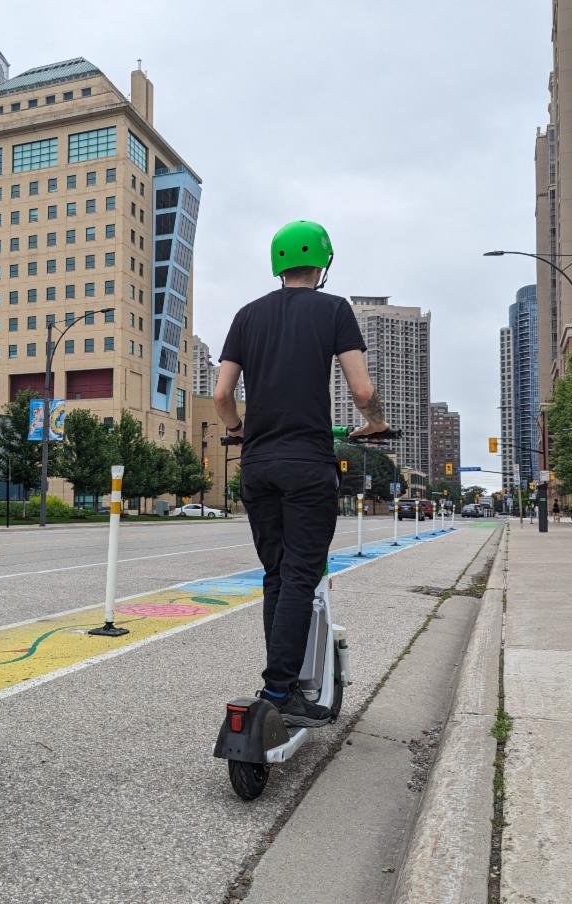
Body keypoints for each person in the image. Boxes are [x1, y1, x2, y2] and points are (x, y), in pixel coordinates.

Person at [214, 220, 388, 728]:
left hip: (257, 466)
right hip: (307, 465)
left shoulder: (246, 315)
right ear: (323, 263)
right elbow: (361, 390)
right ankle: (278, 689)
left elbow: (222, 395)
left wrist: (238, 430)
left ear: (278, 264)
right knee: (300, 576)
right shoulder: (334, 309)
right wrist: (375, 422)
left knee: (275, 575)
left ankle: (281, 684)